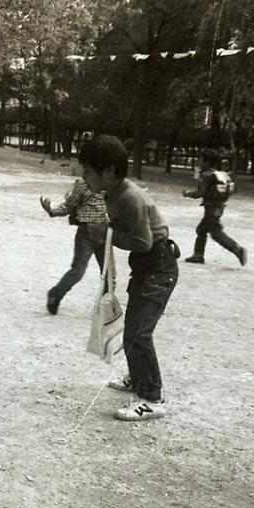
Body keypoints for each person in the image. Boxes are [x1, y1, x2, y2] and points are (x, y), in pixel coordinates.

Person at [78, 134, 178, 421]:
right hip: (147, 268)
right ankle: (139, 378)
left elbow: (143, 242)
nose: (83, 177)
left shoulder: (130, 197)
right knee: (134, 327)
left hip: (159, 267)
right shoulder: (113, 193)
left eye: (87, 171)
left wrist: (107, 234)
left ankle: (152, 397)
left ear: (108, 171)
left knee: (138, 331)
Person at [40, 176, 108, 315]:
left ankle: (105, 308)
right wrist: (52, 210)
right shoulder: (83, 183)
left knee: (109, 273)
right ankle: (55, 294)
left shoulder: (111, 181)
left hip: (105, 232)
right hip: (86, 232)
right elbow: (69, 205)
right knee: (78, 271)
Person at [182, 148, 247, 266]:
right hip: (218, 206)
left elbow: (200, 193)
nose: (199, 163)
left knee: (216, 234)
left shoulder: (206, 175)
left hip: (211, 208)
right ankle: (198, 255)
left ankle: (238, 250)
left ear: (207, 162)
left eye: (201, 160)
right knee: (201, 230)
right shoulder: (218, 174)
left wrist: (187, 193)